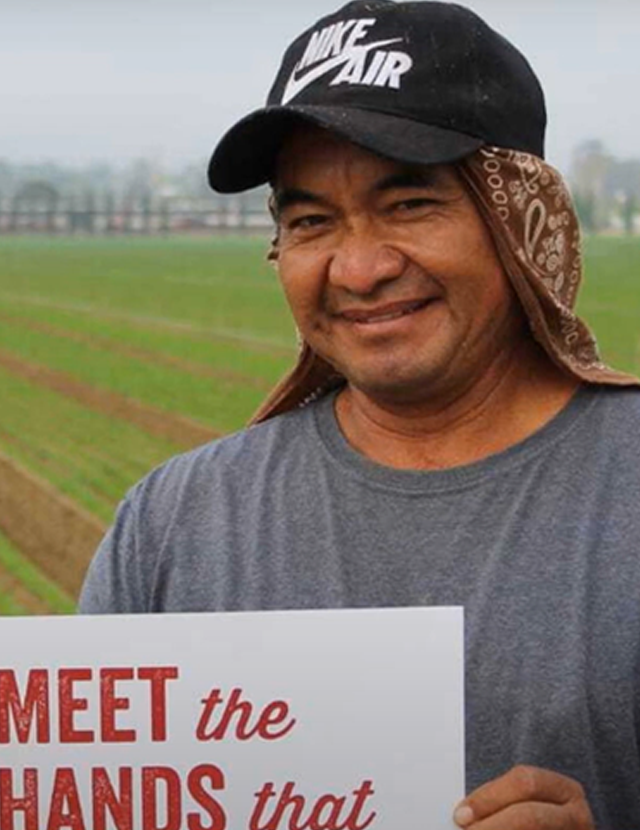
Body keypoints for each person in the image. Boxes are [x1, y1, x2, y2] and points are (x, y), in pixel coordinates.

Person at [79, 1, 640, 827]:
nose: (360, 267)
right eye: (311, 221)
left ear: (523, 219)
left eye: (411, 204)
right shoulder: (172, 522)